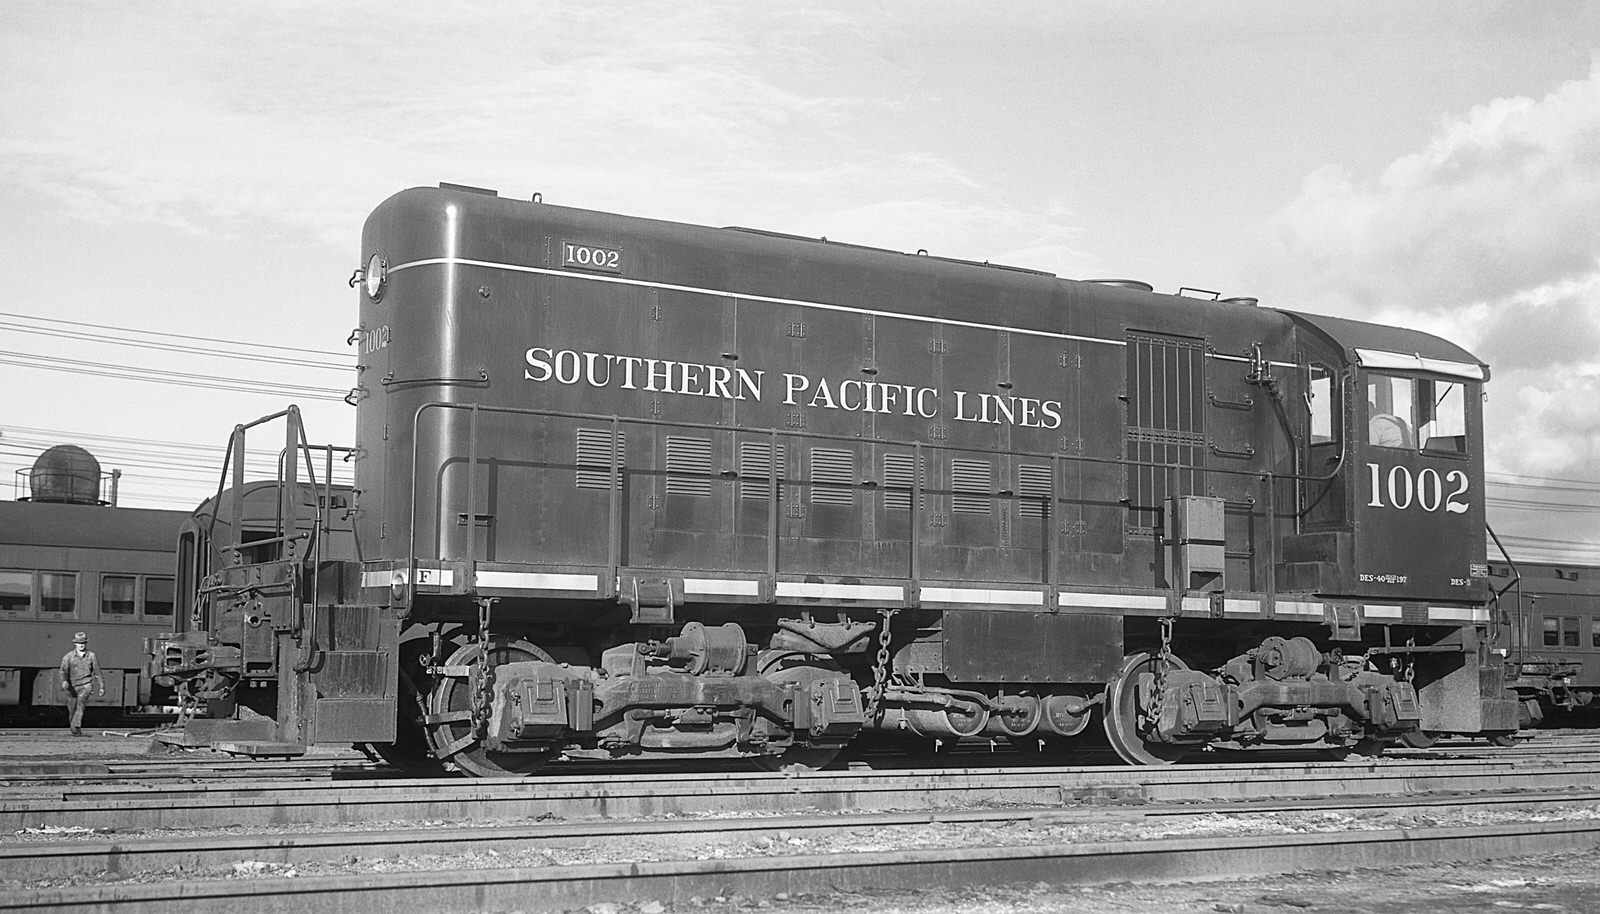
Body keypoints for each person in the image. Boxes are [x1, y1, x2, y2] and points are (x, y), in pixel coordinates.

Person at [59, 631, 103, 736]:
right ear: (75, 644)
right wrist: (64, 681)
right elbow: (63, 670)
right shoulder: (68, 657)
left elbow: (97, 671)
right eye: (79, 643)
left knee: (81, 703)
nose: (81, 645)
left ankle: (76, 726)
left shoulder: (91, 656)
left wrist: (101, 686)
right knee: (72, 709)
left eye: (83, 643)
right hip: (72, 686)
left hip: (86, 685)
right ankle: (76, 730)